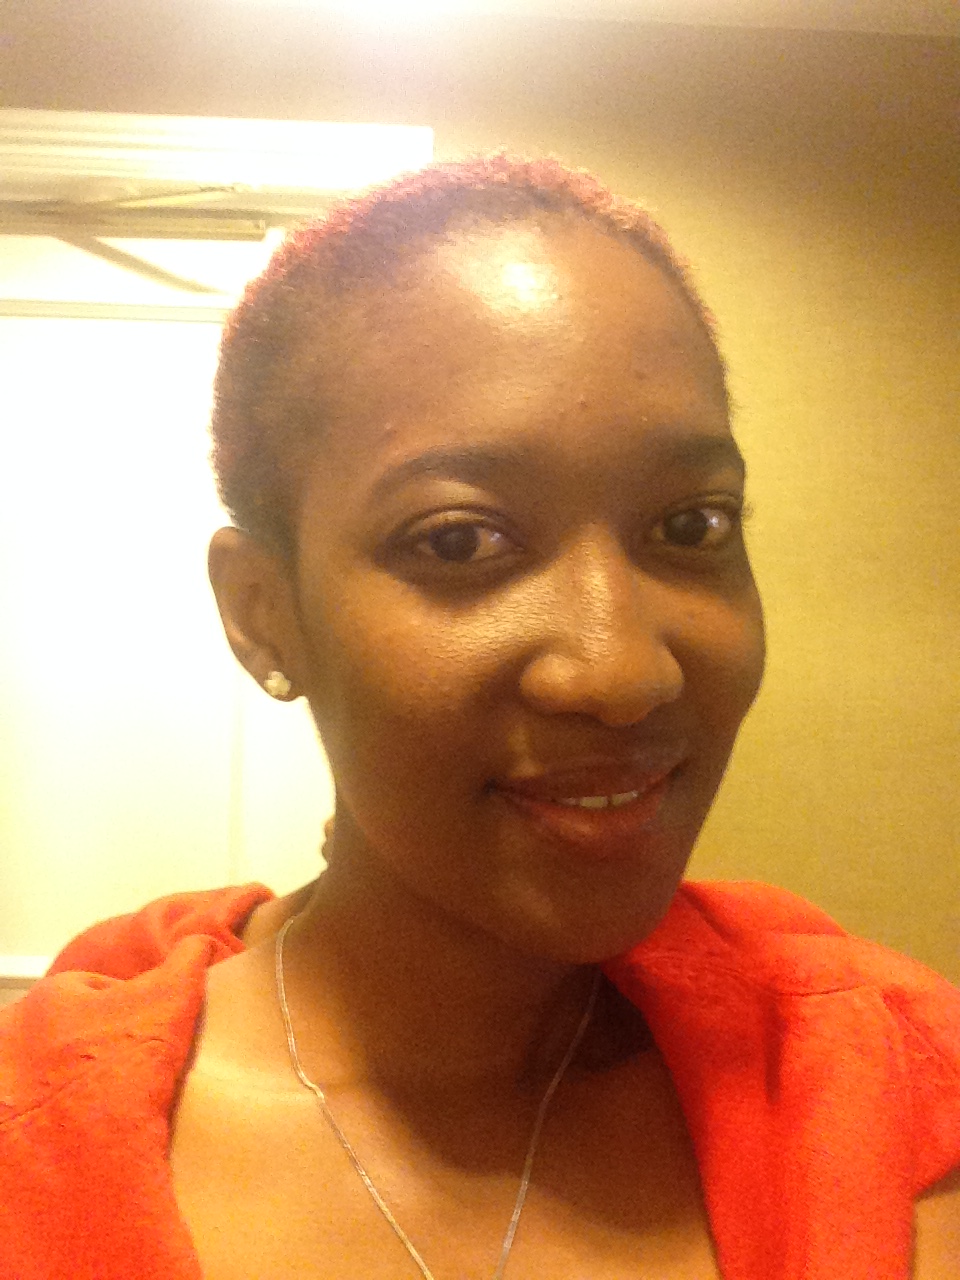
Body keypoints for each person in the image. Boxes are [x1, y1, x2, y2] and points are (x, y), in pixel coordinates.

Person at [1, 156, 958, 1280]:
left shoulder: (894, 1100)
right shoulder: (41, 1147)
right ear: (265, 616)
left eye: (691, 525)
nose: (624, 672)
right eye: (459, 541)